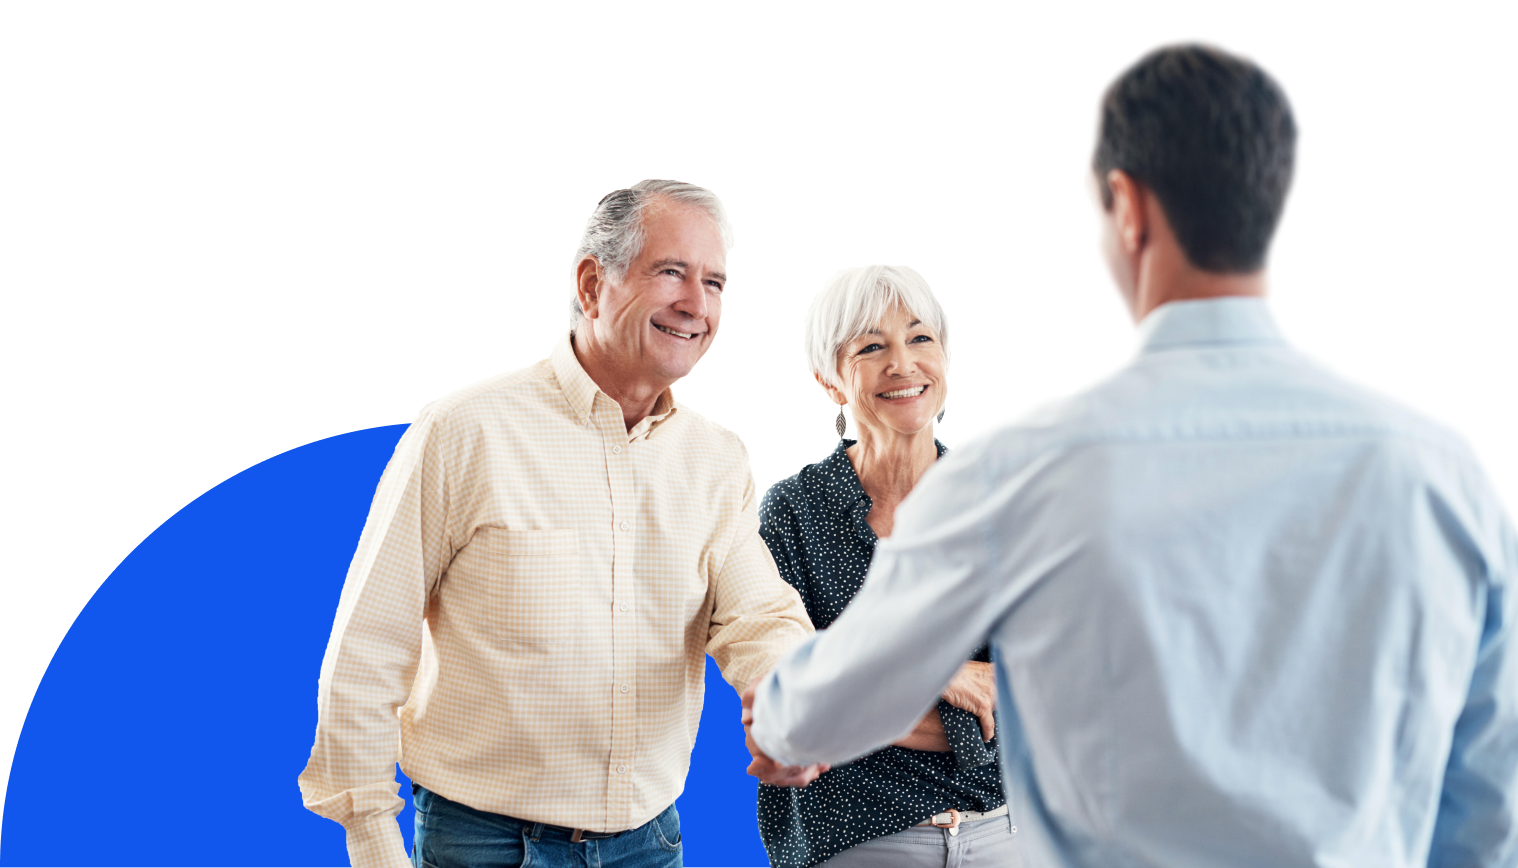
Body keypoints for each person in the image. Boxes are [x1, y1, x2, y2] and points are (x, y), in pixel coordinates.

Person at [743, 37, 1518, 868]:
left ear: (1129, 206)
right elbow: (1483, 809)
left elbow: (816, 715)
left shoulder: (1018, 466)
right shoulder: (1445, 465)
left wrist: (787, 717)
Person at [298, 178, 821, 868]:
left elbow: (757, 615)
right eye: (672, 273)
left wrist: (793, 698)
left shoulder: (716, 457)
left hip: (649, 844)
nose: (698, 305)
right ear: (591, 281)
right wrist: (371, 839)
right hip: (483, 847)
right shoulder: (464, 432)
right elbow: (368, 650)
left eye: (715, 283)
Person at [751, 263, 1020, 868]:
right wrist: (937, 675)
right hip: (854, 842)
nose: (903, 363)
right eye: (872, 347)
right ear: (830, 380)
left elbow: (1029, 698)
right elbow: (789, 700)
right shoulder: (793, 512)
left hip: (1007, 834)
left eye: (920, 338)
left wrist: (862, 686)